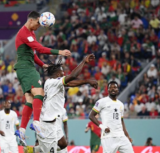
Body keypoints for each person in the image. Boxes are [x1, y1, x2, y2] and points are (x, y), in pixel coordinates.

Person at [14, 11, 71, 145]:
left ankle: (21, 131)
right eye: (38, 24)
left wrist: (42, 64)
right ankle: (36, 122)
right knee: (40, 92)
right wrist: (60, 52)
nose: (39, 27)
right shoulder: (24, 33)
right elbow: (40, 49)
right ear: (31, 20)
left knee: (30, 98)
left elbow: (33, 54)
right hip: (26, 68)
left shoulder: (31, 34)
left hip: (24, 68)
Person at [24, 54, 98, 153]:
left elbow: (70, 83)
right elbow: (73, 76)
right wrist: (84, 61)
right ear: (58, 74)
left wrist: (87, 81)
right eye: (62, 72)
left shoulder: (52, 82)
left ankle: (35, 149)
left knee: (63, 144)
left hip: (54, 121)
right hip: (48, 123)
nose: (64, 73)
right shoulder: (52, 82)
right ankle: (34, 150)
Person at [89, 81, 134, 153]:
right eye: (111, 88)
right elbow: (91, 116)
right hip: (108, 137)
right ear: (108, 90)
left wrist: (127, 136)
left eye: (115, 87)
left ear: (118, 89)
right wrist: (102, 127)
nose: (113, 89)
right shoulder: (101, 102)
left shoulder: (121, 104)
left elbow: (121, 121)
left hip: (121, 136)